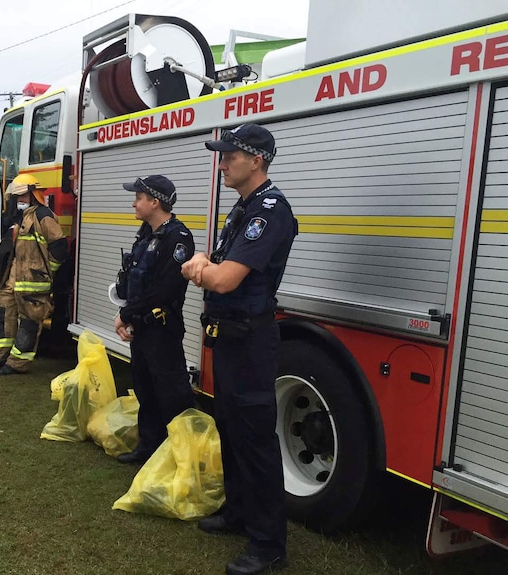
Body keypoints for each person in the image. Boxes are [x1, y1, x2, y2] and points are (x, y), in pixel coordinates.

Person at [181, 124, 297, 575]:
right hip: (228, 336)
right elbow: (219, 258)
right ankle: (238, 513)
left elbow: (226, 277)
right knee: (230, 426)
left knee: (255, 439)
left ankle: (268, 545)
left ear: (257, 160)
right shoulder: (243, 208)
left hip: (250, 338)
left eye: (230, 155)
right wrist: (206, 263)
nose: (223, 163)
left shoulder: (270, 210)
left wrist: (198, 268)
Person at [112, 175, 196, 464]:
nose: (134, 202)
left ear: (155, 201)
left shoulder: (178, 237)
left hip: (163, 331)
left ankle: (183, 458)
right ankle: (148, 451)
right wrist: (128, 313)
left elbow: (166, 288)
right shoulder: (147, 233)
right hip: (142, 329)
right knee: (146, 392)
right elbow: (138, 281)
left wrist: (126, 314)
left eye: (138, 197)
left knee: (172, 395)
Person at [0, 173, 68, 375]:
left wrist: (46, 273)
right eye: (17, 198)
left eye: (23, 197)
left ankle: (17, 364)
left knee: (29, 324)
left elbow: (59, 247)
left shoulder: (43, 216)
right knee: (1, 316)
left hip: (32, 283)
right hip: (11, 281)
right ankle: (1, 358)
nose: (19, 201)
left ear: (33, 195)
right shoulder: (18, 218)